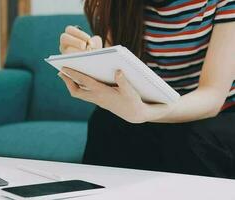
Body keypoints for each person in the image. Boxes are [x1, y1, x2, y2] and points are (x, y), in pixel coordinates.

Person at [58, 0, 235, 179]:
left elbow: (213, 96)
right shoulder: (117, 5)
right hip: (154, 106)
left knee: (196, 139)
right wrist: (88, 58)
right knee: (106, 122)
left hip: (221, 113)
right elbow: (121, 77)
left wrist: (147, 112)